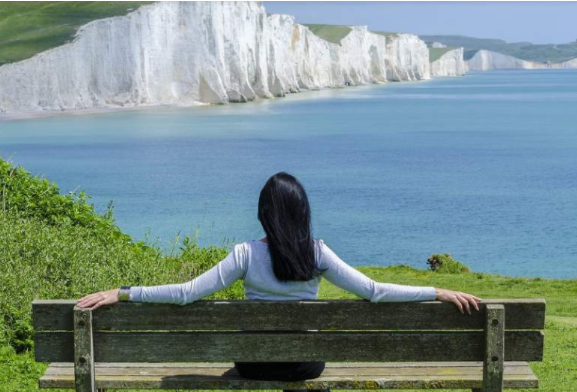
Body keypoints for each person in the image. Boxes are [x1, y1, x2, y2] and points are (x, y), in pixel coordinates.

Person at [79, 172, 481, 390]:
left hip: (252, 362)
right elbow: (374, 291)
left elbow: (185, 295)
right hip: (305, 364)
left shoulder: (244, 254)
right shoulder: (318, 252)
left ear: (264, 213)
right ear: (301, 211)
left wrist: (123, 293)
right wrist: (438, 290)